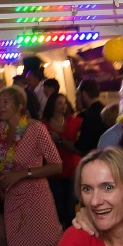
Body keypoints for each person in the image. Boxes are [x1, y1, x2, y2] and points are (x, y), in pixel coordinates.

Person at [0, 85, 62, 246]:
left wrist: (23, 173)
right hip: (12, 201)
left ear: (20, 106)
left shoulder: (36, 129)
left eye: (6, 102)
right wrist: (3, 180)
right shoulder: (1, 129)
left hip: (36, 199)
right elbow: (6, 161)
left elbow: (57, 166)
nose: (0, 106)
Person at [43, 93, 82, 228]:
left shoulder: (74, 121)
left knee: (70, 208)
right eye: (59, 103)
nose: (63, 106)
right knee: (57, 207)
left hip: (72, 168)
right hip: (54, 170)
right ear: (52, 104)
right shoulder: (44, 124)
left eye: (64, 102)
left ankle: (70, 234)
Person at [71, 79, 109, 155]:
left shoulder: (87, 116)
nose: (76, 99)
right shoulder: (108, 110)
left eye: (78, 95)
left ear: (84, 94)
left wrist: (60, 140)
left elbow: (81, 147)